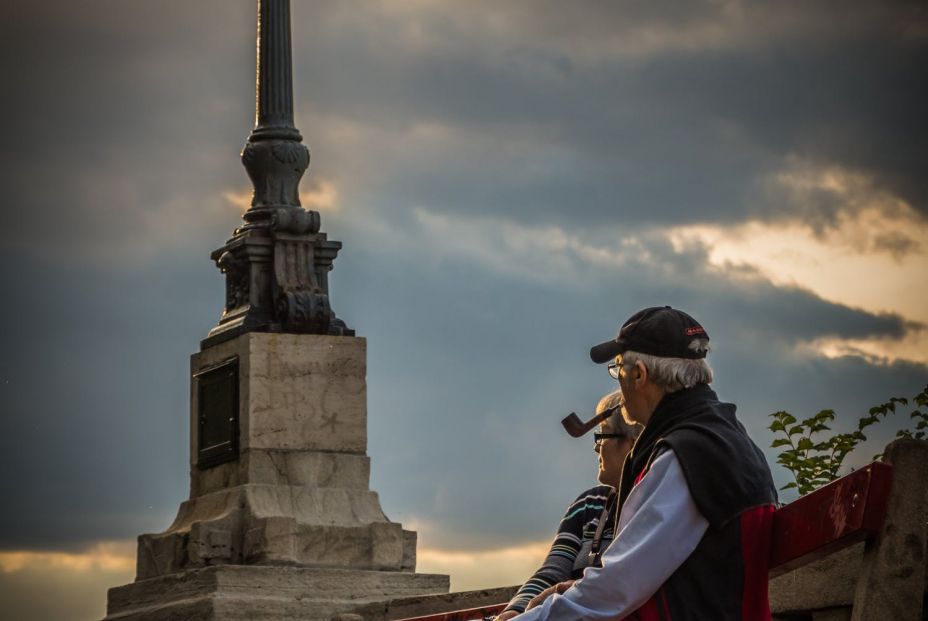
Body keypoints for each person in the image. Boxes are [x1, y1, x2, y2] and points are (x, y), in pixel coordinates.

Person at [513, 306, 778, 621]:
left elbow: (617, 588)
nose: (618, 383)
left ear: (639, 374)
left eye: (618, 368)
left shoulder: (686, 456)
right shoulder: (721, 438)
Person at [496, 398, 641, 621]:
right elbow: (553, 571)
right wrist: (515, 611)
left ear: (633, 444)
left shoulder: (652, 506)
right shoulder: (589, 504)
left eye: (602, 436)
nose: (596, 448)